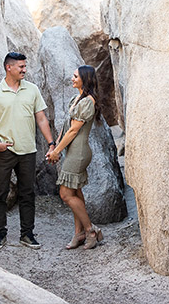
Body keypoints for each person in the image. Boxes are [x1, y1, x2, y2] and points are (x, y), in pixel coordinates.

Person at [0, 51, 55, 251]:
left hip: (28, 150)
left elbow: (41, 119)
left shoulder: (32, 90)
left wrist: (51, 143)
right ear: (8, 67)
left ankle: (27, 234)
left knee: (28, 193)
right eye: (20, 66)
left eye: (24, 66)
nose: (24, 70)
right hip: (3, 152)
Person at [46, 64, 103, 250]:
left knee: (65, 194)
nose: (72, 78)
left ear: (85, 79)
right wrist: (54, 147)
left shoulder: (87, 101)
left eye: (76, 76)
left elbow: (73, 131)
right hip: (72, 151)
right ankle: (79, 233)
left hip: (78, 153)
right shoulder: (76, 98)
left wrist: (57, 152)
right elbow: (65, 128)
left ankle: (90, 230)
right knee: (76, 192)